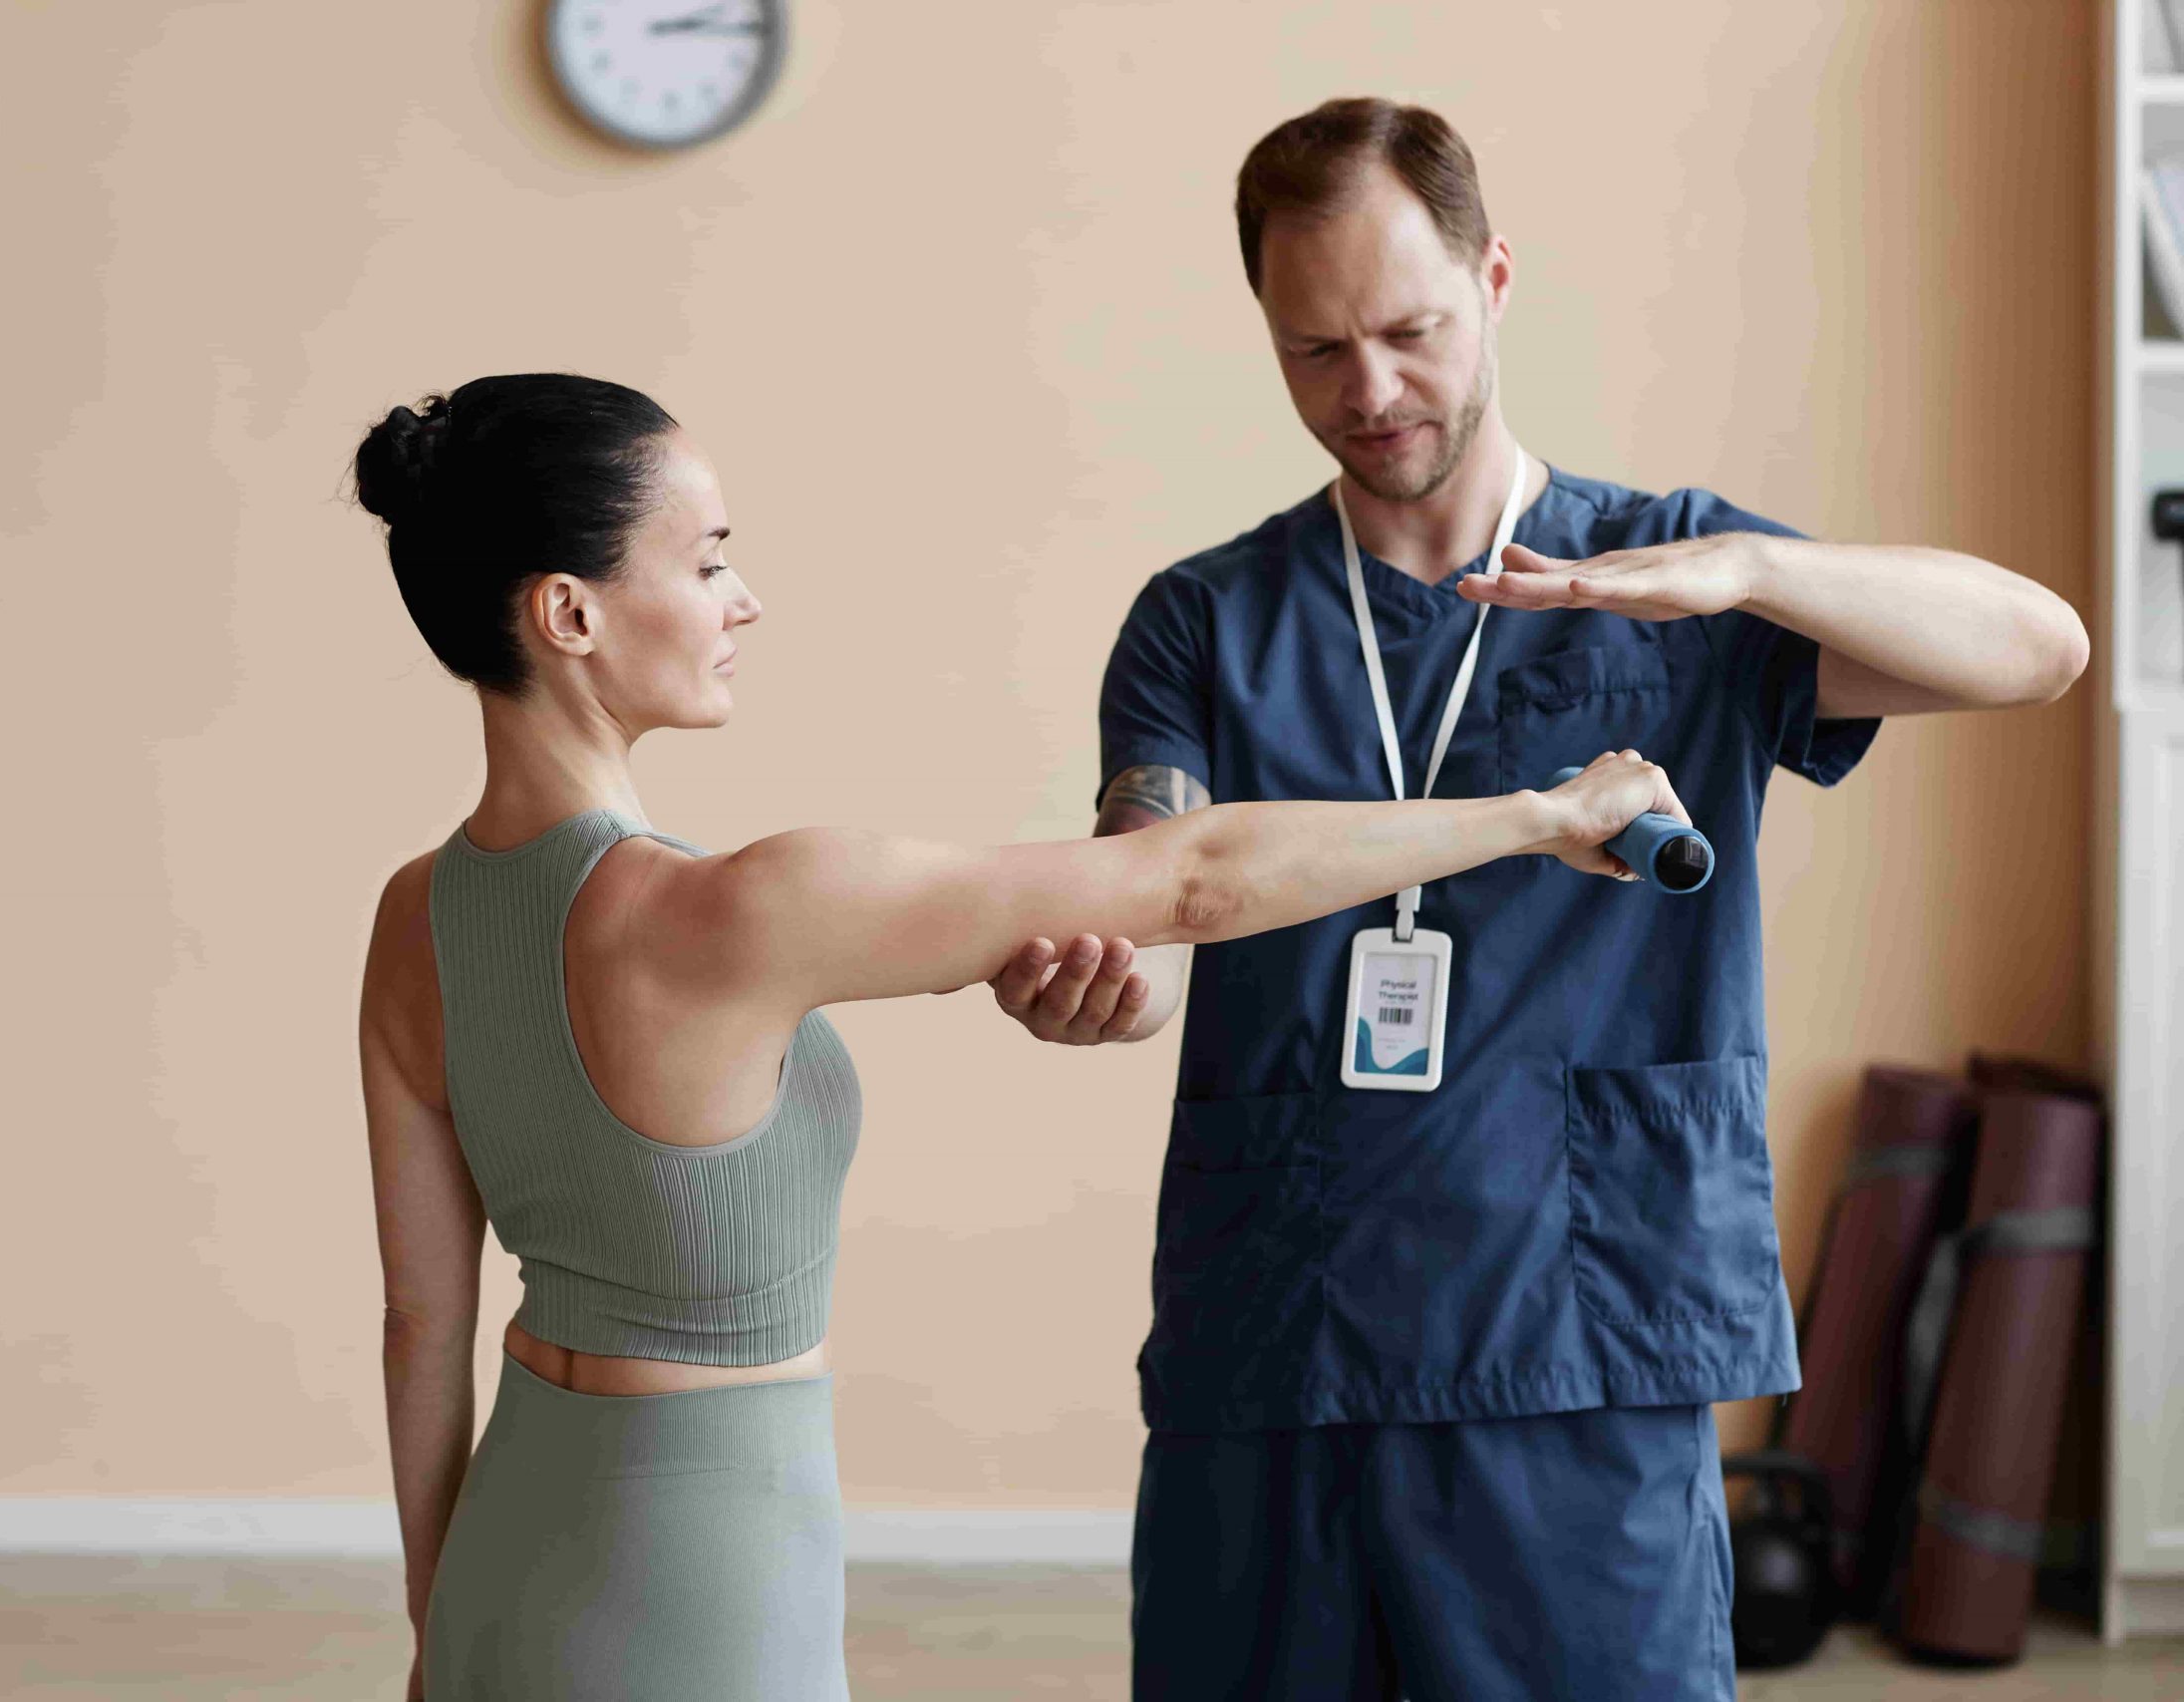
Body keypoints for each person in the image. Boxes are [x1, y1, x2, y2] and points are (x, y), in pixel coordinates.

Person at [986, 98, 2090, 1700]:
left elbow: (2040, 648)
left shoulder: (1673, 583)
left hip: (1578, 1342)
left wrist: (1754, 572)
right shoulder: (1203, 624)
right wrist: (1105, 990)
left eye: (1410, 329)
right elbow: (1154, 920)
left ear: (1495, 281)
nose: (1370, 392)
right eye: (1314, 352)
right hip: (1280, 1344)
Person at [351, 372, 1678, 1700]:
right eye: (706, 563)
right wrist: (1544, 817)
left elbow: (424, 1320)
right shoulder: (733, 911)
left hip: (502, 1545)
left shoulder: (416, 916)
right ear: (568, 612)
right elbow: (1192, 877)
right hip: (699, 1573)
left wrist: (435, 1618)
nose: (741, 598)